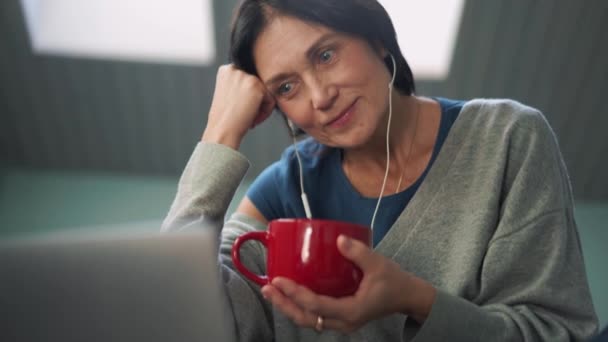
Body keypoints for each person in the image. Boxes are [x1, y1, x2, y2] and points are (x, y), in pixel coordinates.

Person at [161, 0, 599, 340]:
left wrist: (414, 299)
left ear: (378, 39)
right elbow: (172, 314)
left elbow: (557, 333)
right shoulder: (282, 191)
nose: (319, 96)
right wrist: (219, 135)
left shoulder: (506, 138)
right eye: (287, 87)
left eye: (326, 54)